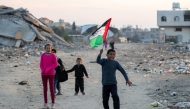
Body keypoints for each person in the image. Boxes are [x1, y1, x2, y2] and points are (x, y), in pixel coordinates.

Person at [40, 44, 58, 109]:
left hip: (51, 73)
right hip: (43, 73)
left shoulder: (53, 55)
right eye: (47, 48)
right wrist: (42, 70)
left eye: (49, 48)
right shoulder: (42, 55)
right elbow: (41, 64)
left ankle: (53, 104)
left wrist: (48, 69)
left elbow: (55, 64)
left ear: (51, 49)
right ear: (45, 48)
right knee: (45, 88)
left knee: (51, 88)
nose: (48, 49)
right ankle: (45, 103)